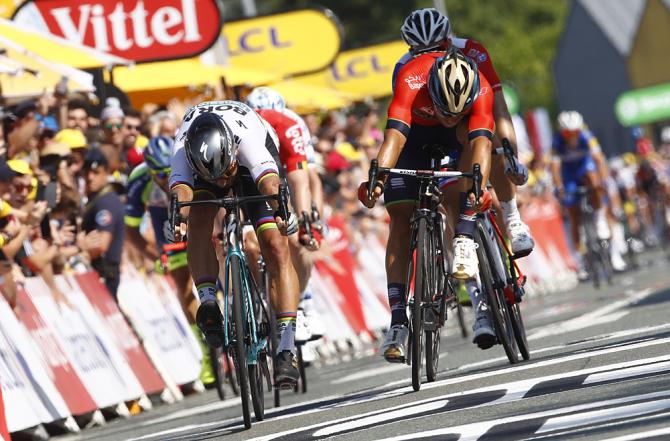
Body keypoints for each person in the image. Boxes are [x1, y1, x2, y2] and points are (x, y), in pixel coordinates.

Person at [359, 47, 498, 361]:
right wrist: (377, 180)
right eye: (443, 110)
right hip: (414, 140)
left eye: (456, 111)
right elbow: (393, 138)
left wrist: (474, 196)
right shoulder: (412, 79)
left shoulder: (482, 90)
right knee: (399, 216)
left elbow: (481, 147)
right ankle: (397, 320)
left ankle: (463, 239)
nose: (448, 118)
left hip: (458, 143)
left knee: (458, 188)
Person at [169, 100, 301, 387]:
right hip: (205, 165)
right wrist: (178, 219)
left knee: (275, 244)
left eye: (224, 175)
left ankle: (287, 344)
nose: (223, 183)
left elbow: (268, 183)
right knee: (198, 223)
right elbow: (181, 193)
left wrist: (282, 211)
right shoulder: (182, 148)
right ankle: (208, 304)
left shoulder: (248, 140)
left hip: (249, 164)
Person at [394, 8, 534, 257]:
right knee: (450, 200)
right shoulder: (404, 68)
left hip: (470, 119)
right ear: (410, 49)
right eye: (421, 52)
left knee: (494, 147)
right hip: (432, 128)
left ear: (448, 40)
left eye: (437, 47)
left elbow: (498, 108)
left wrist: (511, 154)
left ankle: (513, 220)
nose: (430, 56)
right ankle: (465, 276)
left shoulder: (472, 51)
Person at [125, 136, 214, 384]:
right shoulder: (139, 180)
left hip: (199, 213)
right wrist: (154, 255)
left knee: (213, 263)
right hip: (166, 224)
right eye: (161, 176)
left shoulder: (191, 165)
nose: (167, 180)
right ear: (150, 171)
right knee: (183, 286)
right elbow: (131, 230)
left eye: (170, 173)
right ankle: (207, 350)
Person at [245, 86, 326, 342]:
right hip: (251, 169)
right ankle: (250, 303)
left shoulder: (291, 124)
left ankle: (300, 302)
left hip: (284, 173)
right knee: (245, 240)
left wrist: (307, 221)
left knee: (297, 238)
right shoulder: (245, 127)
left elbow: (303, 180)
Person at [551, 111, 611, 257]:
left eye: (575, 132)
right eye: (567, 133)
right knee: (573, 214)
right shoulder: (557, 142)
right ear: (562, 132)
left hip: (584, 167)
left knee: (593, 179)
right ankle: (580, 257)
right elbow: (555, 168)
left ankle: (599, 218)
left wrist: (603, 181)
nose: (572, 136)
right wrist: (559, 187)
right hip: (569, 173)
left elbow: (599, 159)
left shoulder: (587, 137)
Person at [78, 148, 125, 298]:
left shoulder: (106, 202)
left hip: (103, 272)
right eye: (86, 173)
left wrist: (79, 247)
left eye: (96, 172)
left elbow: (100, 244)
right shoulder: (100, 198)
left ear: (106, 172)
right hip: (105, 271)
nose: (90, 177)